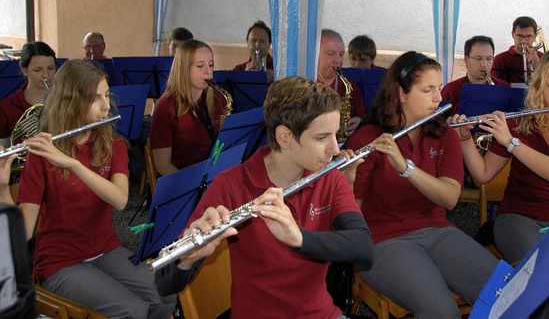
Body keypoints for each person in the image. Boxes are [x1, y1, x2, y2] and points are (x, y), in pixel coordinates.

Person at [155, 76, 373, 319]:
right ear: (284, 137)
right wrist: (186, 260)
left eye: (335, 135)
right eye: (322, 138)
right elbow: (164, 285)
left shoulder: (327, 177)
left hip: (320, 314)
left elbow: (363, 247)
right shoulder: (231, 185)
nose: (334, 149)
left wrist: (300, 239)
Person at [11, 59, 174, 318]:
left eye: (107, 95)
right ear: (71, 101)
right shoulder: (43, 154)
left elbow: (120, 200)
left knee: (165, 296)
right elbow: (24, 230)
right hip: (60, 261)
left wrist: (73, 164)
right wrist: (0, 188)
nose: (106, 105)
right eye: (96, 98)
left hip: (105, 248)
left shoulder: (113, 145)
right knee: (134, 311)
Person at [452, 48, 549, 318]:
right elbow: (482, 175)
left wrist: (511, 144)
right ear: (538, 89)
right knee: (541, 278)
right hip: (517, 218)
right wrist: (465, 139)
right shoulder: (520, 123)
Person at [346, 51, 498, 318]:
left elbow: (450, 198)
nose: (438, 98)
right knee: (442, 312)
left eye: (439, 88)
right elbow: (351, 216)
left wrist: (406, 168)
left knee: (505, 293)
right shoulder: (369, 138)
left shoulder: (444, 134)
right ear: (402, 94)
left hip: (437, 230)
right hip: (383, 240)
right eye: (427, 90)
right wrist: (347, 179)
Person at [151, 39, 230, 176]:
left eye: (211, 65)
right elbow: (162, 165)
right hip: (180, 183)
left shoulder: (219, 100)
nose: (208, 72)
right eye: (200, 66)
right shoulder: (166, 108)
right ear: (183, 69)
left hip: (211, 178)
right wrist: (195, 188)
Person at [0, 41, 56, 147]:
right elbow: (2, 148)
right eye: (37, 70)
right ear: (24, 70)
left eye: (51, 68)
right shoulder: (7, 107)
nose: (46, 75)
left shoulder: (65, 101)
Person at [441, 36, 510, 116]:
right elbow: (437, 123)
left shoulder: (504, 87)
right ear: (466, 59)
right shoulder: (450, 90)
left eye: (489, 59)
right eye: (478, 58)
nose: (484, 65)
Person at [317, 29, 366, 141]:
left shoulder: (351, 87)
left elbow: (363, 116)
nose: (338, 60)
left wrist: (359, 120)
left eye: (341, 54)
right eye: (331, 54)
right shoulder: (302, 87)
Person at [491, 16, 544, 85]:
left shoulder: (543, 58)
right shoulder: (499, 59)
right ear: (513, 35)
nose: (524, 41)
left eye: (528, 36)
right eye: (519, 36)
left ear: (534, 37)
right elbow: (492, 84)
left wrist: (538, 65)